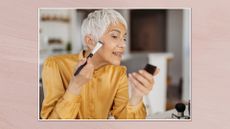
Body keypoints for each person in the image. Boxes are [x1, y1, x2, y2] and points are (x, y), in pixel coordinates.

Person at [40, 9, 159, 119]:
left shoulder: (118, 73)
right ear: (90, 41)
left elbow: (126, 120)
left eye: (124, 38)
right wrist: (75, 86)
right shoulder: (55, 65)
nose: (123, 44)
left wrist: (136, 96)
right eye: (114, 36)